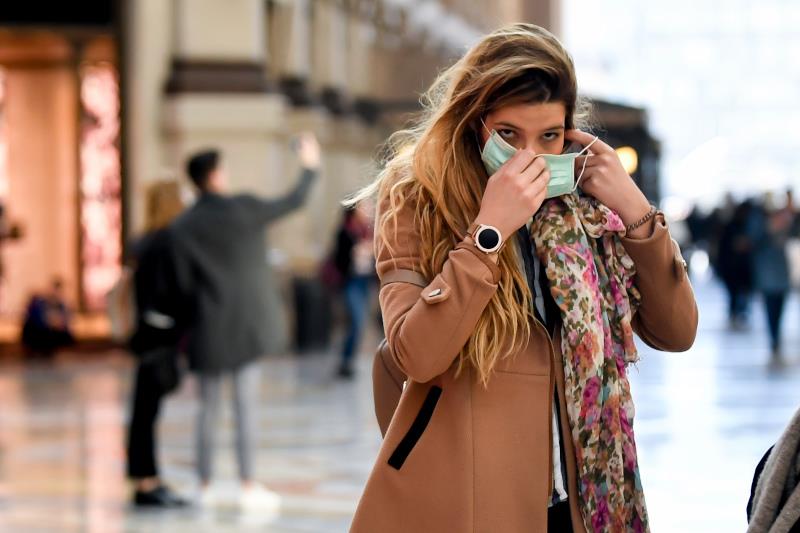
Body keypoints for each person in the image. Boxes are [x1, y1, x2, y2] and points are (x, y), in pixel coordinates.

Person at [348, 24, 697, 533]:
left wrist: (636, 211)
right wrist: (488, 231)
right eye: (508, 135)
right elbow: (415, 354)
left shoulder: (586, 208)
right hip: (471, 502)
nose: (530, 156)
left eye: (549, 136)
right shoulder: (418, 199)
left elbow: (678, 332)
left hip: (581, 502)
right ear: (475, 122)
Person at [171, 134, 320, 510]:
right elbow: (294, 199)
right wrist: (309, 165)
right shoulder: (245, 209)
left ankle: (202, 486)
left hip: (208, 327)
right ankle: (248, 485)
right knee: (245, 408)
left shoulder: (183, 227)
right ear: (217, 176)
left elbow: (182, 284)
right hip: (249, 326)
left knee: (206, 410)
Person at [125, 180, 188, 508]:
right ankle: (146, 483)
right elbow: (174, 291)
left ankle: (146, 479)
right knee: (145, 412)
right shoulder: (167, 241)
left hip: (145, 335)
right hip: (160, 336)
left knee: (143, 411)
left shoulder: (144, 240)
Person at [332, 202, 375, 379]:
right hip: (351, 282)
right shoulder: (345, 232)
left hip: (365, 282)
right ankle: (345, 360)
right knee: (356, 321)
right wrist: (355, 251)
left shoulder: (368, 231)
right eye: (364, 207)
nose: (368, 211)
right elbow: (338, 260)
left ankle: (348, 361)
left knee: (359, 323)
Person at [748, 196, 792, 364]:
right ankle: (774, 339)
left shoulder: (785, 222)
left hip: (781, 275)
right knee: (770, 309)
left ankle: (776, 338)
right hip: (767, 275)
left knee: (779, 309)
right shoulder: (759, 223)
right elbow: (754, 242)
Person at [717, 199, 755, 329]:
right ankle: (736, 313)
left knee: (740, 293)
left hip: (739, 268)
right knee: (735, 293)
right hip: (733, 267)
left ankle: (739, 313)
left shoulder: (745, 226)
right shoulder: (732, 226)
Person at [21, 278, 74, 357]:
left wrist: (58, 322)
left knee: (62, 333)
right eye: (55, 290)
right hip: (39, 331)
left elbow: (66, 319)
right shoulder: (39, 302)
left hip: (52, 331)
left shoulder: (61, 305)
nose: (56, 293)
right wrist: (50, 322)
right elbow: (36, 320)